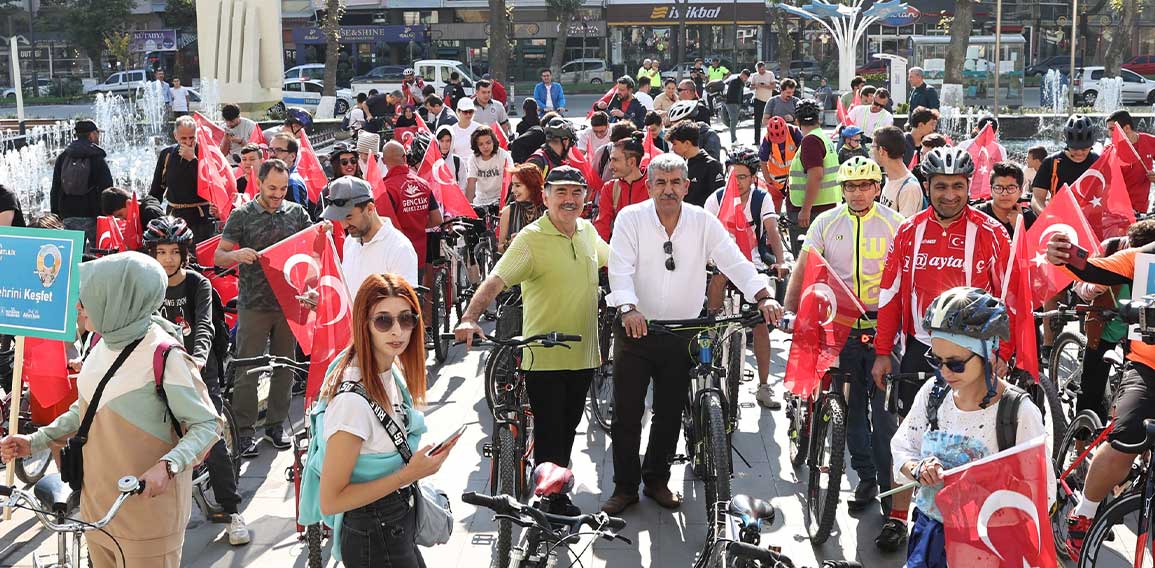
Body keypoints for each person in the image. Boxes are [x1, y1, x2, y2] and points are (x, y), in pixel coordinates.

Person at [0, 252, 221, 567]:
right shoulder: (100, 345)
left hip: (148, 521)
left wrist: (168, 467)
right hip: (97, 514)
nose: (79, 306)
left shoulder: (166, 356)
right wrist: (35, 441)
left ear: (119, 299)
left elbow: (208, 425)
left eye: (88, 298)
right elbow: (85, 409)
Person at [600, 152, 782, 515]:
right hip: (637, 329)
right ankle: (624, 487)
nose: (668, 189)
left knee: (668, 413)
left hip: (683, 331)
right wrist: (628, 307)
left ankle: (655, 480)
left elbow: (733, 260)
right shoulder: (631, 218)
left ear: (686, 186)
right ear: (649, 186)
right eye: (661, 182)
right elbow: (619, 267)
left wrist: (762, 295)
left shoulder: (702, 221)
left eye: (675, 182)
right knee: (627, 412)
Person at [871, 146, 1014, 553]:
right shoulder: (908, 231)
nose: (949, 194)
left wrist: (1005, 352)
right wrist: (884, 351)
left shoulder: (991, 232)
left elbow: (1011, 299)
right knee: (911, 433)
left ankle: (974, 514)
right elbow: (890, 295)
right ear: (927, 186)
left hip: (977, 356)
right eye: (940, 186)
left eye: (957, 186)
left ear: (970, 185)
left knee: (975, 434)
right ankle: (899, 517)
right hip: (921, 349)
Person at [456, 166, 609, 481]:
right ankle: (549, 504)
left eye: (576, 192)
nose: (570, 199)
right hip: (545, 354)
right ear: (546, 196)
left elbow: (620, 263)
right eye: (561, 192)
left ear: (586, 197)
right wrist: (469, 318)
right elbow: (495, 281)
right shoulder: (530, 238)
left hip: (584, 354)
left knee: (568, 427)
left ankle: (555, 484)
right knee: (551, 432)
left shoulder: (588, 232)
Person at [301, 273, 453, 568]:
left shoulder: (389, 367)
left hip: (392, 524)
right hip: (373, 534)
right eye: (383, 321)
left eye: (406, 319)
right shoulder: (351, 404)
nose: (397, 331)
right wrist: (408, 474)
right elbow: (330, 500)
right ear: (364, 324)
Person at [890, 287, 1051, 567]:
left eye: (954, 364)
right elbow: (902, 446)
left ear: (989, 354)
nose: (943, 372)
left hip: (987, 546)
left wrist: (989, 489)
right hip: (930, 536)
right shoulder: (933, 393)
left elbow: (1042, 494)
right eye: (935, 360)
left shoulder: (1018, 412)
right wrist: (916, 468)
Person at [784, 155, 905, 515]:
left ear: (877, 188)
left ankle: (889, 492)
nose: (857, 193)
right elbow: (803, 269)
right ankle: (866, 477)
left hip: (883, 331)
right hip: (840, 330)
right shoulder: (826, 222)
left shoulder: (896, 224)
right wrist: (790, 311)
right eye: (850, 186)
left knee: (884, 419)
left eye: (864, 185)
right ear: (842, 189)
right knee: (849, 411)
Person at [142, 216, 250, 545]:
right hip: (158, 370)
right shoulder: (147, 285)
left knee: (210, 437)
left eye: (174, 251)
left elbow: (204, 325)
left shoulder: (197, 285)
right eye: (162, 252)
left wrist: (199, 357)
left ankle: (232, 512)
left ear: (185, 252)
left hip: (199, 369)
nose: (168, 258)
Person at [215, 159, 313, 458]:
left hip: (289, 303)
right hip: (253, 305)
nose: (278, 193)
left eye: (283, 188)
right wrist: (237, 255)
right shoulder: (242, 215)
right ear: (258, 183)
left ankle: (274, 425)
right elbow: (219, 256)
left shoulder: (296, 213)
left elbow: (313, 247)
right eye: (272, 188)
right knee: (248, 368)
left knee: (286, 366)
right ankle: (244, 432)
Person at [704, 147, 788, 408]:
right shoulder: (715, 199)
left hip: (753, 265)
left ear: (753, 177)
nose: (736, 181)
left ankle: (764, 387)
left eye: (742, 176)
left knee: (761, 324)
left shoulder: (761, 198)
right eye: (732, 175)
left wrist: (781, 261)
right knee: (712, 316)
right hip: (722, 263)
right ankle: (709, 365)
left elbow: (772, 230)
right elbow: (705, 236)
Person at [321, 176, 418, 290]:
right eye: (339, 218)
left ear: (370, 208)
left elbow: (405, 302)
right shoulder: (350, 242)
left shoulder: (399, 248)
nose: (344, 225)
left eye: (349, 217)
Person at [786, 99, 841, 255]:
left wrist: (805, 209)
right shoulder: (823, 137)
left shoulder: (810, 141)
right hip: (823, 207)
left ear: (797, 121)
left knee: (806, 261)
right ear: (819, 118)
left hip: (809, 211)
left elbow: (816, 175)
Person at [150, 116, 215, 242]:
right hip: (174, 215)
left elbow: (211, 184)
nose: (188, 142)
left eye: (192, 138)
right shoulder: (167, 154)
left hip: (200, 216)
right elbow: (157, 188)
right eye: (183, 138)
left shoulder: (205, 152)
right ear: (175, 136)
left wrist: (193, 160)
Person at [51, 119, 114, 247]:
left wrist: (56, 215)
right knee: (97, 256)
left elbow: (55, 188)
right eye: (97, 133)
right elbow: (107, 189)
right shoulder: (97, 157)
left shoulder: (63, 156)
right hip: (93, 216)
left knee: (72, 255)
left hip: (67, 214)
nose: (99, 137)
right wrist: (107, 215)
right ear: (92, 135)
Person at [388, 139, 442, 274]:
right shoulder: (423, 184)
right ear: (405, 157)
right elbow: (437, 219)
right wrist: (417, 225)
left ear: (383, 161)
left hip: (395, 255)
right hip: (419, 252)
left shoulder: (386, 188)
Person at [1032, 115, 1098, 211]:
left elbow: (1110, 194)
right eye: (1074, 148)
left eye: (1084, 148)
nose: (1079, 152)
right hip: (1061, 219)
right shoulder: (1050, 162)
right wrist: (1046, 216)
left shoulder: (1098, 161)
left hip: (1092, 218)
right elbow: (1037, 199)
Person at [594, 134, 650, 241]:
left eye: (615, 160)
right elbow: (602, 227)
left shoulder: (654, 187)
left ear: (632, 162)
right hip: (621, 251)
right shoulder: (609, 188)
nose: (610, 166)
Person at [1106, 109, 1155, 213]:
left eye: (1112, 129)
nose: (1109, 134)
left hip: (1141, 210)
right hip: (1118, 210)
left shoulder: (1150, 141)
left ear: (1127, 128)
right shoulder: (1108, 151)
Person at [667, 120, 724, 207]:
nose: (672, 149)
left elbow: (720, 200)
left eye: (675, 144)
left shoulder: (712, 166)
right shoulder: (679, 165)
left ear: (687, 144)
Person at [873, 125, 923, 218]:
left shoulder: (909, 188)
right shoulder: (891, 179)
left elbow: (904, 229)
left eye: (873, 146)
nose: (871, 151)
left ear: (881, 151)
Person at [977, 162, 1036, 238]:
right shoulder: (978, 215)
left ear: (1021, 191)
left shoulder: (1029, 217)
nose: (1004, 193)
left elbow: (1034, 248)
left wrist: (1019, 227)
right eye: (998, 188)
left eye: (1011, 188)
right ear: (991, 190)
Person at [498, 164, 546, 252]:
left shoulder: (547, 210)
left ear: (531, 186)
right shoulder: (508, 212)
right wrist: (510, 244)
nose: (513, 190)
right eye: (512, 185)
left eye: (518, 185)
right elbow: (499, 248)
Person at [760, 115, 802, 212]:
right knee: (775, 207)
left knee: (796, 205)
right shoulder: (767, 140)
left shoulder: (794, 132)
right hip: (777, 181)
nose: (779, 141)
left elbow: (805, 152)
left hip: (795, 176)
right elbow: (763, 162)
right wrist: (769, 183)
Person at [465, 125, 514, 207]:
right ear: (476, 146)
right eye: (481, 144)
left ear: (493, 142)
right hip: (480, 202)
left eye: (488, 142)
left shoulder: (503, 155)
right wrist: (468, 207)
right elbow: (471, 184)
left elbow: (510, 178)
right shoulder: (473, 159)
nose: (485, 147)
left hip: (501, 200)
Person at [268, 133, 313, 211]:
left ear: (292, 156)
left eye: (279, 150)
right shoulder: (272, 178)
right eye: (270, 150)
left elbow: (298, 218)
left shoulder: (292, 183)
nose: (272, 154)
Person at [722, 69, 750, 144]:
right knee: (733, 120)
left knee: (734, 121)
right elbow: (731, 93)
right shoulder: (735, 81)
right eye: (746, 78)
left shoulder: (741, 83)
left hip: (737, 103)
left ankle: (734, 139)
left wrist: (740, 104)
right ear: (743, 75)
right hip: (731, 103)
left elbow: (740, 94)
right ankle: (733, 139)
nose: (746, 79)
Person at [751, 62, 776, 144]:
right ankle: (756, 140)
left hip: (768, 100)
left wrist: (764, 85)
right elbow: (751, 87)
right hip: (758, 99)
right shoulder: (754, 76)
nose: (761, 71)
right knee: (757, 121)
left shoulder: (770, 74)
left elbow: (773, 86)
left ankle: (772, 139)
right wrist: (756, 86)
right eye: (759, 70)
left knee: (771, 121)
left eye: (763, 69)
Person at [449, 97, 481, 161]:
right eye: (465, 112)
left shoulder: (479, 128)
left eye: (471, 112)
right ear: (458, 111)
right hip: (459, 167)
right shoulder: (451, 130)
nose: (468, 115)